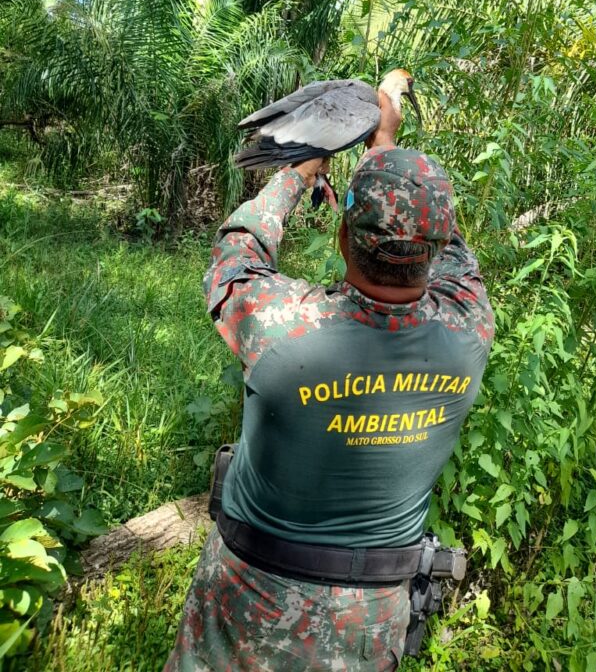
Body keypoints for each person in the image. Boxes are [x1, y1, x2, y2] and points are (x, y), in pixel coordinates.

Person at [165, 95, 494, 672]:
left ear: (344, 240)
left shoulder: (280, 326)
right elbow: (452, 247)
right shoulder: (469, 331)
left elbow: (234, 253)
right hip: (364, 631)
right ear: (436, 248)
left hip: (243, 611)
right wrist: (386, 149)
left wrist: (301, 169)